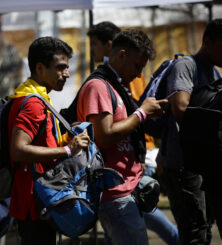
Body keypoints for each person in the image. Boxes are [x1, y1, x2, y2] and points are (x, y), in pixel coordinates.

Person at [88, 21, 179, 245]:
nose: (139, 75)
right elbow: (104, 135)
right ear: (121, 55)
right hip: (115, 194)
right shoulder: (99, 86)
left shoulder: (116, 86)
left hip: (127, 189)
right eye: (137, 66)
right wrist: (141, 113)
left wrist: (145, 116)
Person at [7, 36, 90, 245]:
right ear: (40, 68)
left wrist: (63, 140)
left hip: (39, 197)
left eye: (67, 67)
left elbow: (40, 141)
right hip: (35, 200)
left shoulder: (32, 95)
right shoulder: (33, 103)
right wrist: (67, 151)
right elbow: (18, 149)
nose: (67, 74)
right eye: (60, 67)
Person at [156, 18, 222, 244]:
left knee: (205, 227)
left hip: (204, 161)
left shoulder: (215, 74)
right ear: (208, 42)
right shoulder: (186, 65)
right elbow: (180, 108)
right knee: (194, 230)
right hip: (180, 163)